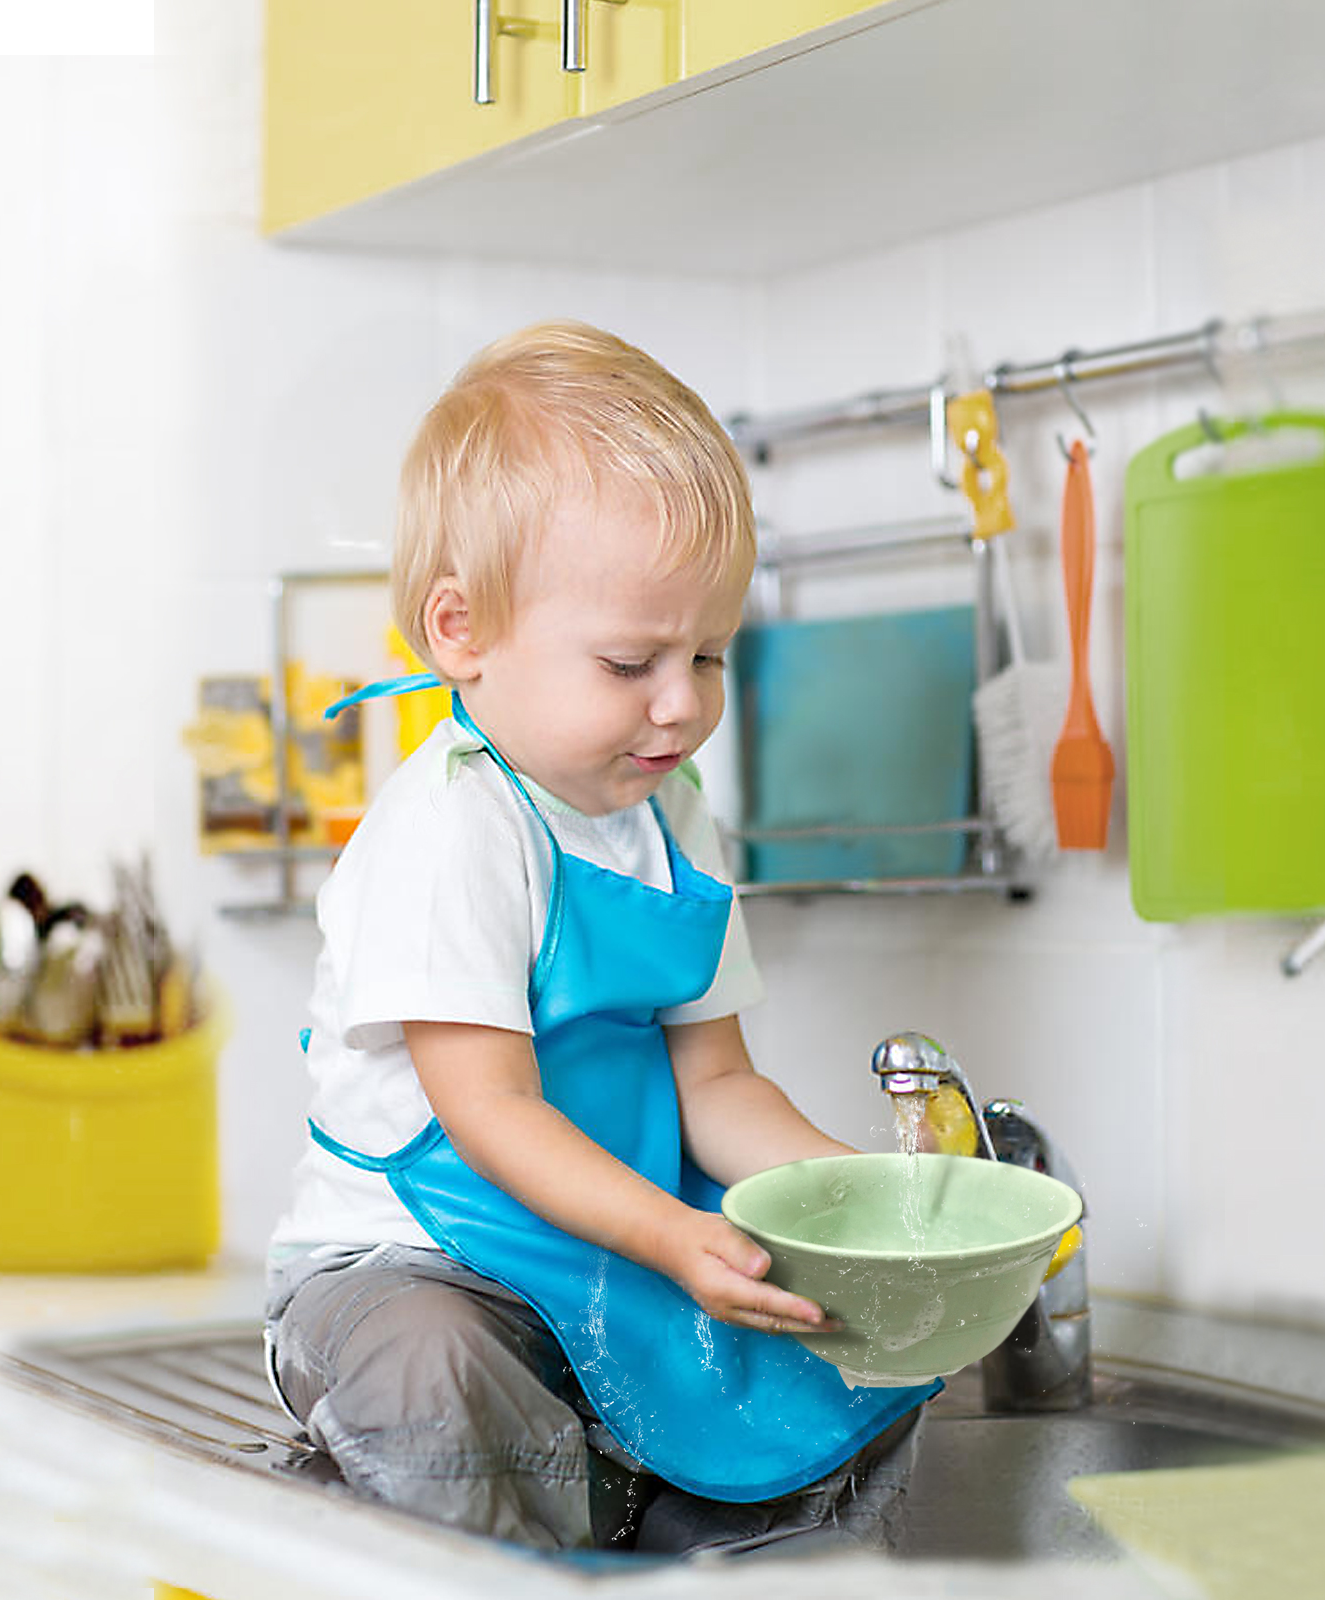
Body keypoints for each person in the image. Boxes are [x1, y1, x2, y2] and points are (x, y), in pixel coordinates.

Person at [265, 321, 939, 1556]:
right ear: (461, 633)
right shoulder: (453, 828)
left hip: (601, 1250)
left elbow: (718, 1085)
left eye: (709, 654)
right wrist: (678, 1237)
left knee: (840, 1358)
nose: (681, 703)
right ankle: (461, 1514)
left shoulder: (673, 818)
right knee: (434, 1380)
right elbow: (492, 1113)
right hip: (416, 1267)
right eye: (631, 661)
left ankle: (652, 1531)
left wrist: (854, 1205)